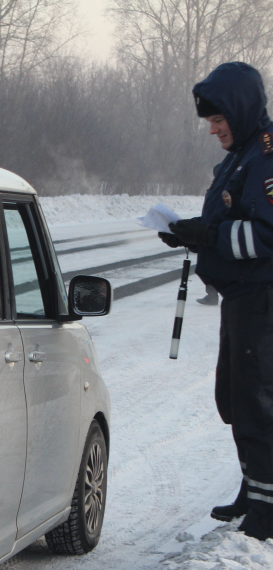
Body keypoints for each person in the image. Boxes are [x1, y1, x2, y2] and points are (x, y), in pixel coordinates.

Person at [160, 61, 273, 541]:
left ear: (240, 110)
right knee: (232, 397)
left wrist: (211, 235)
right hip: (240, 296)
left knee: (255, 401)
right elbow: (226, 221)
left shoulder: (266, 158)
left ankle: (267, 510)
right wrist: (195, 235)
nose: (212, 129)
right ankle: (254, 489)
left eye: (217, 119)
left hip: (262, 297)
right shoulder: (243, 152)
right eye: (209, 121)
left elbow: (266, 237)